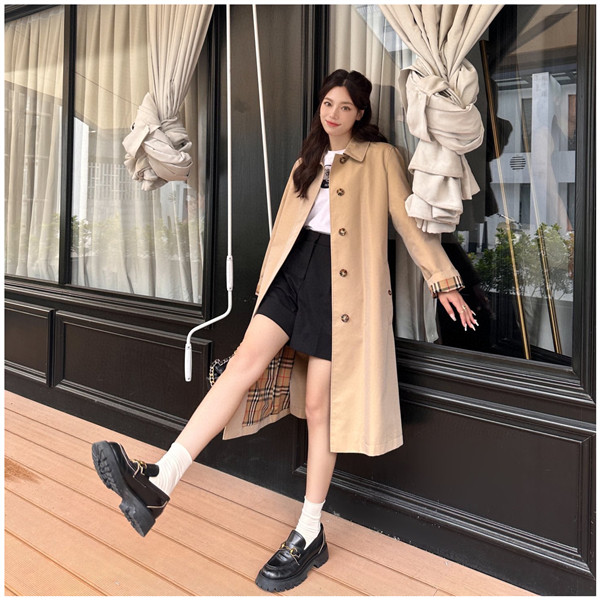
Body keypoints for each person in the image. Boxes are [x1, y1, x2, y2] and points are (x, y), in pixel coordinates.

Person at [91, 69, 477, 593]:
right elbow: (284, 231)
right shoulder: (305, 161)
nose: (333, 113)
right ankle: (161, 477)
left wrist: (443, 282)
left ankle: (310, 529)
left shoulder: (380, 157)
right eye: (327, 103)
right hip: (289, 277)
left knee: (320, 406)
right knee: (241, 368)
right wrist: (265, 286)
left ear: (360, 113)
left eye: (345, 106)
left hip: (340, 288)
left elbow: (410, 226)